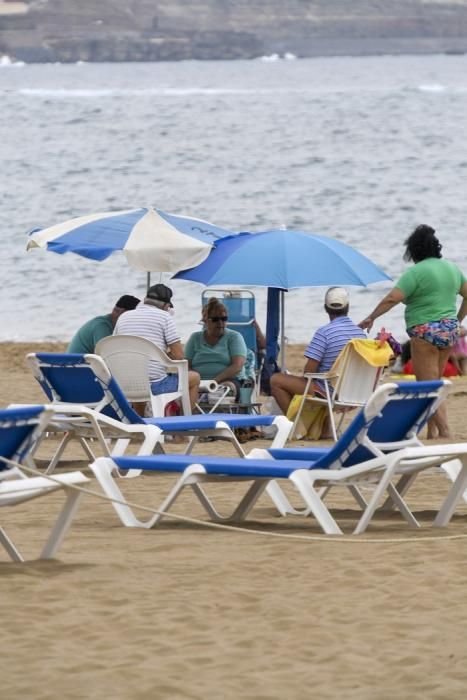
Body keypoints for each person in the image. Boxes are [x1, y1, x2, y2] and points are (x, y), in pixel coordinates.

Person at [359, 224, 467, 438]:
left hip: (425, 333)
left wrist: (371, 317)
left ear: (414, 250)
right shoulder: (452, 269)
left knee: (426, 386)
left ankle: (445, 432)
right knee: (436, 382)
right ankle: (432, 432)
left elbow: (392, 298)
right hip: (448, 332)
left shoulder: (416, 272)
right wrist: (457, 320)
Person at [270, 287, 366, 437]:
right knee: (318, 381)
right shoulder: (360, 334)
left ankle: (296, 427)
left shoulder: (324, 333)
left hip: (328, 392)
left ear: (325, 308)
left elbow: (309, 371)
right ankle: (324, 429)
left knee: (276, 380)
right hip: (352, 393)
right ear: (348, 307)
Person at [114, 283, 200, 412]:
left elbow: (116, 348)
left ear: (145, 300)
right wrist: (161, 356)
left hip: (124, 384)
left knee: (140, 375)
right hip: (155, 386)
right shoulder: (165, 317)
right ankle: (182, 424)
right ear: (166, 306)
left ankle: (140, 422)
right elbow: (179, 356)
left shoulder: (124, 317)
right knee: (194, 378)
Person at [184, 297, 248, 401]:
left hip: (227, 380)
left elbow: (237, 366)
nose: (220, 323)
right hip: (198, 383)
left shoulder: (234, 337)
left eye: (224, 319)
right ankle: (188, 416)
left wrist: (214, 381)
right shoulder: (195, 338)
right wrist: (196, 381)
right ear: (205, 320)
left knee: (223, 391)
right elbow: (186, 366)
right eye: (215, 319)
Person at [67, 294, 140, 354]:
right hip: (76, 366)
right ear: (124, 313)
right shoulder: (101, 326)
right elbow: (106, 355)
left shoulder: (112, 324)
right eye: (134, 316)